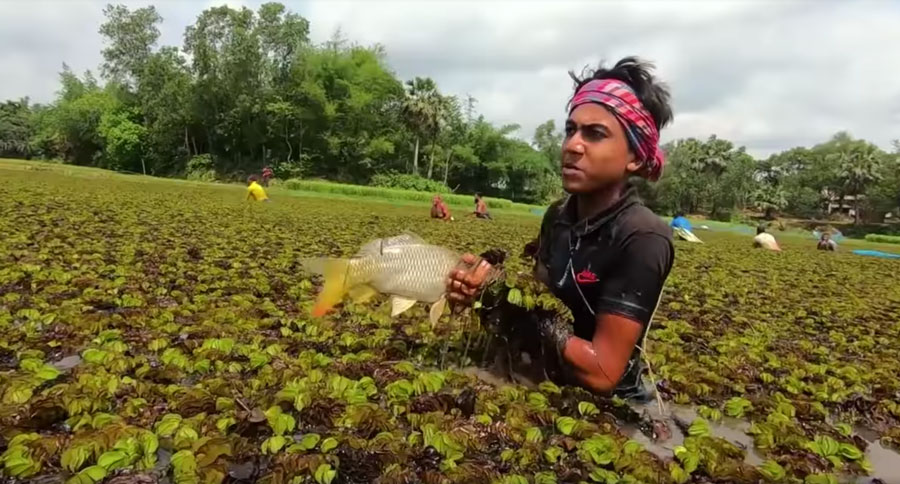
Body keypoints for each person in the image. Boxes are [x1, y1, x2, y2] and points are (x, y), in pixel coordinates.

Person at [447, 57, 675, 401]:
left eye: (595, 134)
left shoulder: (642, 236)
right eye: (571, 130)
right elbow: (538, 306)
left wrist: (509, 302)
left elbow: (602, 373)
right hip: (544, 379)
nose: (572, 145)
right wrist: (482, 295)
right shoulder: (558, 216)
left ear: (636, 158)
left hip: (610, 407)